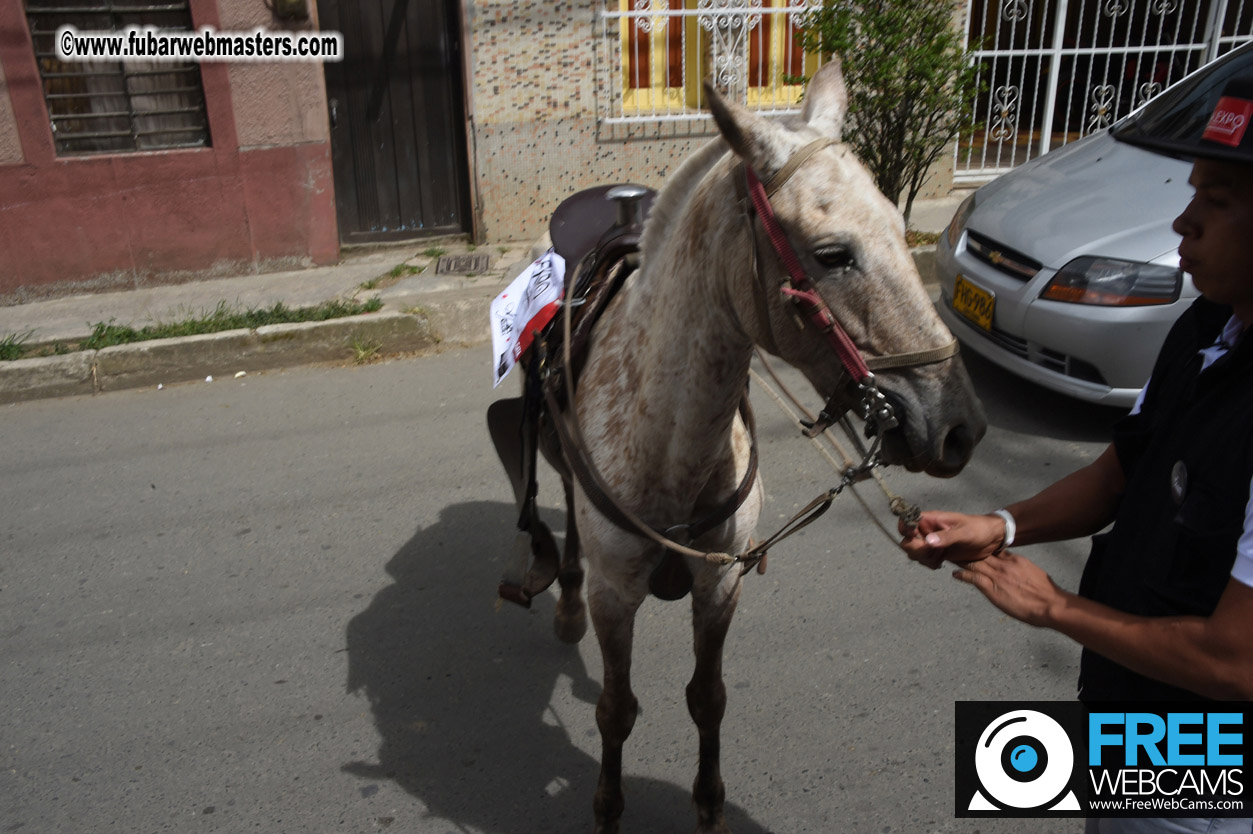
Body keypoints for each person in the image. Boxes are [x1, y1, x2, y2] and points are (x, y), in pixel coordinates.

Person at [901, 74, 1253, 834]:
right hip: (1130, 712)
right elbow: (1123, 472)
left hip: (1209, 765)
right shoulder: (1204, 329)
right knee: (1029, 774)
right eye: (1192, 193)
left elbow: (1235, 661)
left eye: (1217, 201)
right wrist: (997, 526)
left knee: (1018, 767)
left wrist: (1055, 607)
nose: (1183, 223)